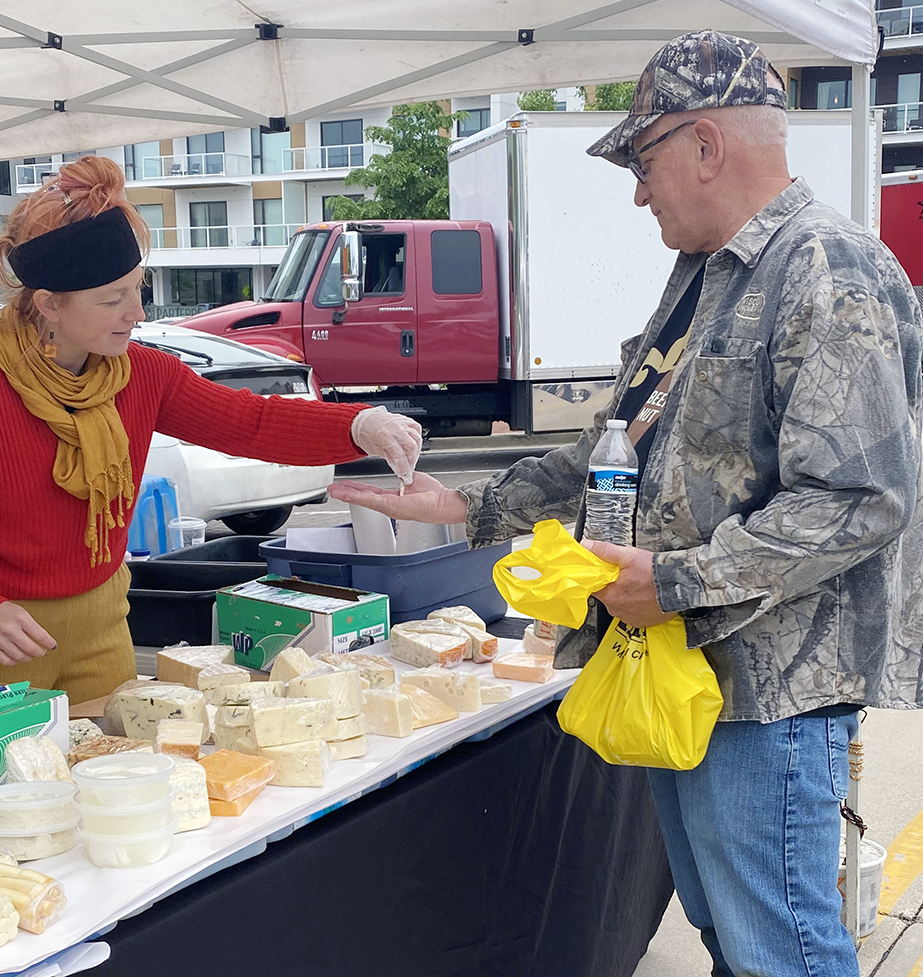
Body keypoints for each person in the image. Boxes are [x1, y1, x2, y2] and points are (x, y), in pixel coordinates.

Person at [333, 30, 923, 977]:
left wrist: (680, 581)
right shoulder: (702, 275)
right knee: (732, 931)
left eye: (645, 161)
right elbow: (618, 443)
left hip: (770, 691)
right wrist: (471, 506)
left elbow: (859, 500)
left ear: (704, 144)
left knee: (784, 946)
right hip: (686, 671)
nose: (639, 190)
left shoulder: (830, 268)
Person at [0, 155, 421, 706]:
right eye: (113, 299)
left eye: (138, 288)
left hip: (100, 629)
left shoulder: (140, 373)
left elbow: (249, 422)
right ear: (49, 304)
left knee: (116, 782)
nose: (138, 313)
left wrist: (357, 424)